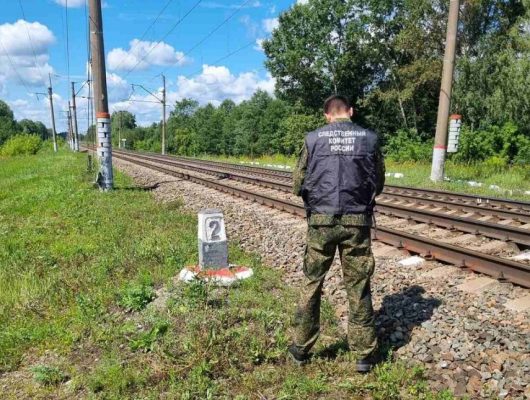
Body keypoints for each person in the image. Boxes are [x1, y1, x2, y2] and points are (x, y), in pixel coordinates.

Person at [288, 94, 385, 372]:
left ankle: (301, 348)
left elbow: (297, 184)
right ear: (350, 112)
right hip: (358, 222)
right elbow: (378, 183)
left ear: (326, 115)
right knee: (358, 285)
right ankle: (364, 354)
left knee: (312, 282)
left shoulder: (313, 139)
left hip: (321, 222)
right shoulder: (369, 139)